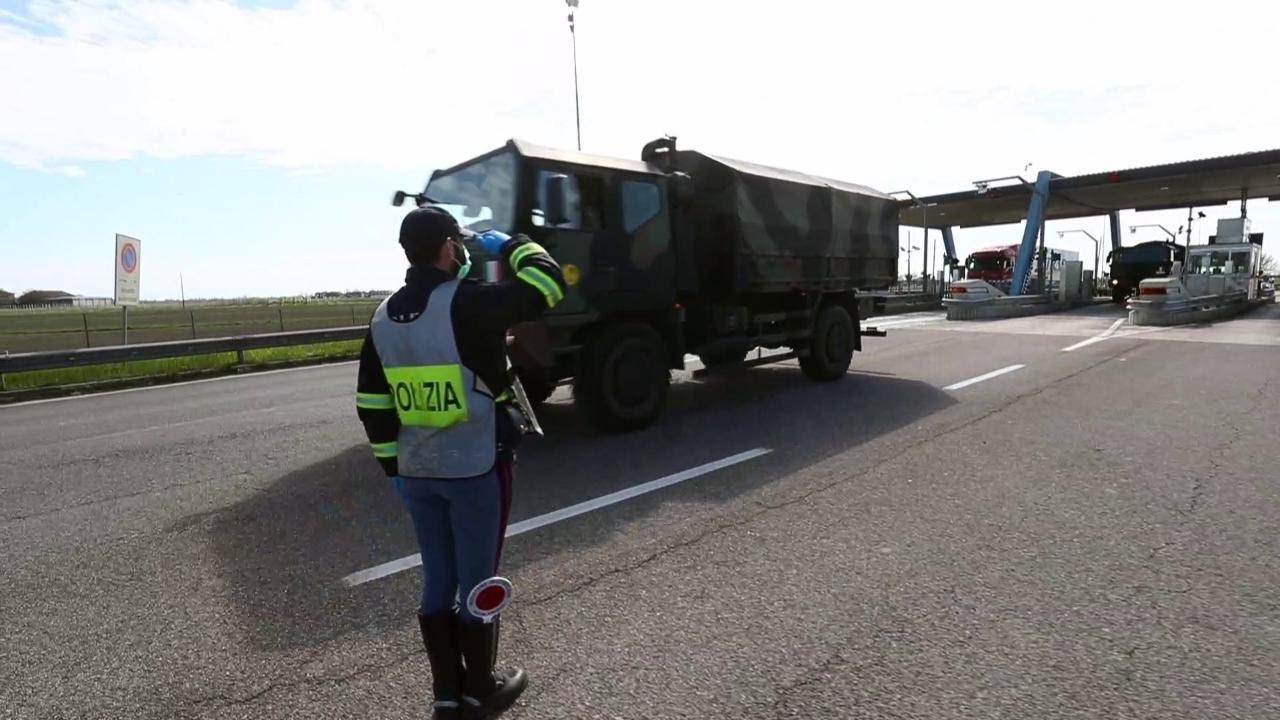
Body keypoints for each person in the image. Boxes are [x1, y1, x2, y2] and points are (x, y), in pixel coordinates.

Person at [355, 205, 566, 720]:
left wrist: (394, 471)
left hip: (419, 473)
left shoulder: (383, 317)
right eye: (461, 244)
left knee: (437, 579)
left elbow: (372, 404)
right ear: (451, 248)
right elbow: (549, 283)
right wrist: (505, 242)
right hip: (474, 467)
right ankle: (482, 690)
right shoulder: (468, 303)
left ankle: (446, 696)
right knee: (478, 579)